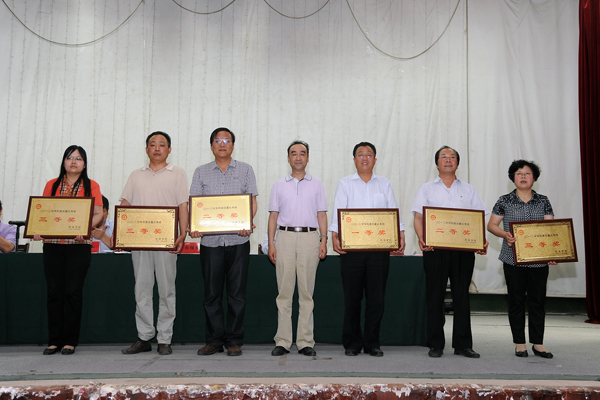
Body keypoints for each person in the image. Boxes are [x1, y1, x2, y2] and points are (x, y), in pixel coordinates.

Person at [411, 145, 489, 359]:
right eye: (443, 157)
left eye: (452, 157)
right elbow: (418, 217)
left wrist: (480, 240)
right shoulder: (427, 189)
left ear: (457, 163)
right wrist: (421, 238)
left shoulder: (469, 189)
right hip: (435, 249)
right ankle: (435, 344)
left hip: (463, 251)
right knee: (434, 296)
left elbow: (479, 217)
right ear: (437, 163)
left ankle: (463, 345)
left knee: (462, 296)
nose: (448, 160)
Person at [329, 142, 406, 357]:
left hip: (378, 250)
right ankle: (352, 343)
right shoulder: (345, 183)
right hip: (351, 249)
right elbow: (338, 210)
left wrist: (400, 234)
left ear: (375, 159)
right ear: (354, 160)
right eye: (360, 155)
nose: (365, 158)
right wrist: (334, 235)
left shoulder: (384, 184)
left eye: (369, 154)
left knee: (376, 299)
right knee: (352, 298)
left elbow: (393, 211)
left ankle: (372, 342)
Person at [189, 127, 258, 357]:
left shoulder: (246, 169)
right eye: (217, 141)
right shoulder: (201, 172)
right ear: (211, 146)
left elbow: (252, 203)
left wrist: (247, 222)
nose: (222, 144)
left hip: (238, 240)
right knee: (212, 294)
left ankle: (234, 341)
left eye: (226, 140)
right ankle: (214, 341)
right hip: (210, 244)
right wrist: (195, 226)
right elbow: (194, 205)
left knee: (237, 295)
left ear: (233, 146)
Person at [120, 132, 189, 356]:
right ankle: (144, 337)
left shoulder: (177, 173)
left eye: (162, 145)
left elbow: (183, 205)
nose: (157, 148)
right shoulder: (135, 175)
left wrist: (183, 233)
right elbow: (125, 204)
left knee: (167, 290)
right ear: (146, 149)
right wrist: (122, 234)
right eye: (152, 144)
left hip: (167, 242)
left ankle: (165, 338)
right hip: (140, 242)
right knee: (142, 289)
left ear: (169, 150)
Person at [34, 145, 104, 355]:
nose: (74, 162)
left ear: (85, 164)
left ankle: (70, 341)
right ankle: (54, 340)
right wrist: (38, 229)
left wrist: (85, 228)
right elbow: (43, 211)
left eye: (79, 158)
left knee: (73, 292)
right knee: (54, 292)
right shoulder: (52, 184)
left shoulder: (92, 185)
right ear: (64, 161)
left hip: (79, 245)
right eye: (70, 158)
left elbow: (98, 213)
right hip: (53, 244)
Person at [487, 160, 555, 359]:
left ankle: (538, 343)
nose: (523, 176)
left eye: (527, 173)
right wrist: (505, 234)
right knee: (516, 301)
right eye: (519, 173)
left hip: (539, 260)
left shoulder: (543, 201)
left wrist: (552, 252)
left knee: (537, 301)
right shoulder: (504, 200)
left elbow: (551, 229)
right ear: (513, 178)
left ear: (534, 178)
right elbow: (491, 225)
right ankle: (520, 343)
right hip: (513, 259)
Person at [268, 140, 328, 357]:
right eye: (294, 153)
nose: (298, 157)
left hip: (310, 238)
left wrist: (324, 240)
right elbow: (273, 216)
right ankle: (283, 341)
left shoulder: (317, 184)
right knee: (284, 292)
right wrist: (271, 243)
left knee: (306, 293)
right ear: (288, 158)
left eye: (302, 153)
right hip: (284, 237)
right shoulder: (279, 185)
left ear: (308, 158)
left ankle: (305, 341)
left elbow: (321, 214)